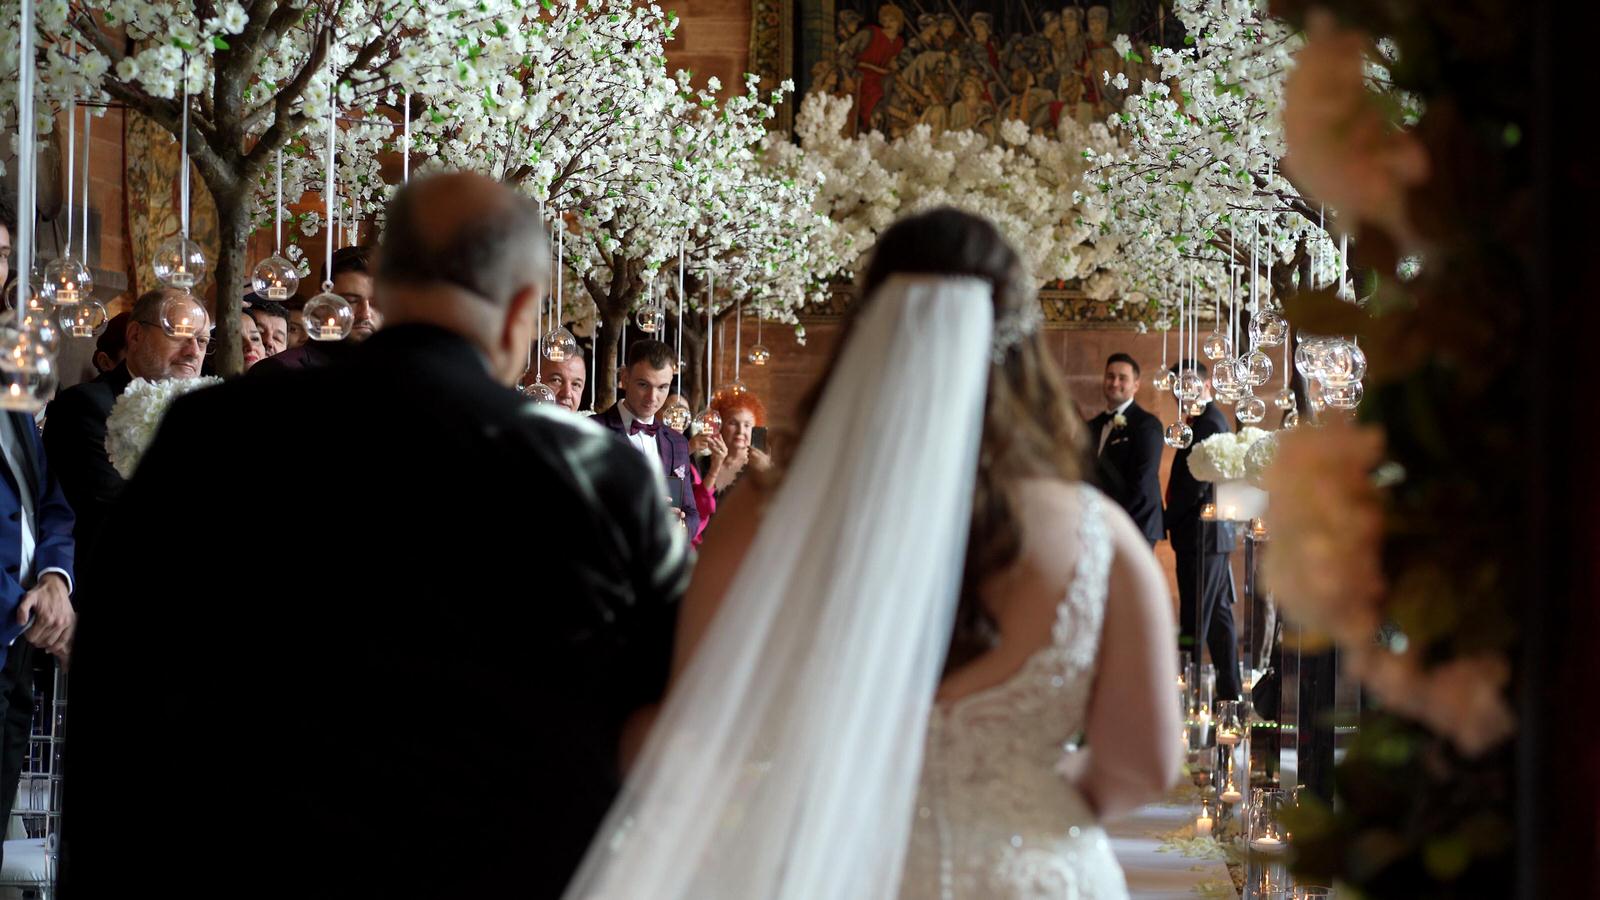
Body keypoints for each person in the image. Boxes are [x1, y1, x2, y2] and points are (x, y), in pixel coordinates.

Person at [60, 173, 690, 898]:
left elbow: (120, 685)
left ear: (382, 288)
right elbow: (668, 708)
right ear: (523, 307)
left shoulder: (215, 434)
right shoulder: (599, 475)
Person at [565, 208, 1178, 898]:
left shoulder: (765, 517)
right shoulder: (1100, 536)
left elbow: (686, 740)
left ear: (869, 334)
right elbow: (1143, 763)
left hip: (826, 866)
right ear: (1019, 348)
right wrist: (1017, 796)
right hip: (1031, 873)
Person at [0, 192, 77, 873]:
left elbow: (48, 497)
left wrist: (54, 578)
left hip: (22, 638)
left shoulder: (10, 370)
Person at [43, 288, 207, 569]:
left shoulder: (205, 411)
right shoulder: (87, 406)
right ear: (135, 336)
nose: (193, 351)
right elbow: (122, 516)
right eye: (179, 334)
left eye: (202, 341)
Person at [1164, 360, 1242, 701]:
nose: (1184, 390)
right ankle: (1230, 693)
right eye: (1179, 385)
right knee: (1219, 618)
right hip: (1209, 537)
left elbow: (1193, 487)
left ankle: (1188, 697)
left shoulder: (1208, 422)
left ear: (1207, 385)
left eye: (1192, 383)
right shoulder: (1201, 420)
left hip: (1202, 535)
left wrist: (1167, 518)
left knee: (1195, 619)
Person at [594, 340, 699, 540]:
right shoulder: (593, 431)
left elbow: (692, 512)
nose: (653, 397)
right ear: (624, 378)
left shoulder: (677, 442)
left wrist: (681, 527)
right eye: (643, 384)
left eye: (662, 387)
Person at [249, 245, 377, 374]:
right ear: (320, 303)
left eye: (376, 302)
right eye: (351, 301)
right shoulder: (281, 370)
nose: (366, 314)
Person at [1088, 352, 1164, 546]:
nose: (1114, 383)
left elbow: (1143, 480)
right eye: (1110, 376)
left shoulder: (1147, 425)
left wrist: (1113, 519)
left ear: (1136, 385)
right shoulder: (1092, 426)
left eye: (1122, 378)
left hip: (1137, 523)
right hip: (1099, 523)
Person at [699, 390, 771, 501]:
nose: (741, 431)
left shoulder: (759, 465)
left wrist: (767, 471)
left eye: (747, 425)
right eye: (733, 423)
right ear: (719, 426)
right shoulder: (702, 464)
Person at [530, 345, 587, 413]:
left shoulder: (590, 423)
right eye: (556, 380)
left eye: (576, 384)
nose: (567, 394)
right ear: (529, 380)